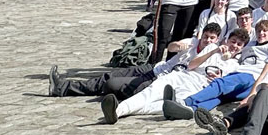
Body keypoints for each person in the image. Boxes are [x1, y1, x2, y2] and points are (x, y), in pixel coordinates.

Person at [101, 28, 248, 124]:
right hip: (182, 76)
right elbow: (191, 65)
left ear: (242, 48)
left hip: (197, 87)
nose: (234, 46)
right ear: (227, 40)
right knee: (150, 93)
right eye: (233, 41)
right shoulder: (212, 48)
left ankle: (117, 112)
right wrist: (213, 52)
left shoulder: (235, 66)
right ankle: (118, 110)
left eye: (239, 44)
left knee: (167, 105)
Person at [49, 24, 222, 100]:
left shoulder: (212, 57)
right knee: (110, 75)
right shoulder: (191, 42)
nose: (207, 41)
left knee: (113, 84)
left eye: (211, 39)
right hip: (155, 68)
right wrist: (177, 45)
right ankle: (62, 88)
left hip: (160, 80)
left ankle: (114, 95)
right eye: (206, 37)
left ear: (217, 40)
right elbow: (171, 48)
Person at [163, 19, 268, 117]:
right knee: (220, 97)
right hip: (242, 80)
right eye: (258, 31)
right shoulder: (248, 46)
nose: (261, 33)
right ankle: (188, 110)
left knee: (221, 84)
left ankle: (185, 102)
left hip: (252, 77)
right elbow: (233, 56)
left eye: (265, 31)